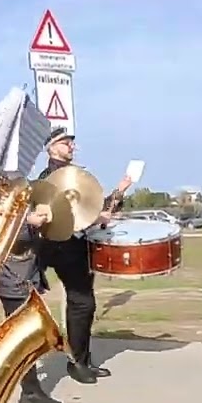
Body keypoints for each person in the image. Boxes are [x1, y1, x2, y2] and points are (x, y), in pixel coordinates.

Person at [34, 128, 130, 384]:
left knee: (84, 304)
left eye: (71, 144)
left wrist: (120, 190)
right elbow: (64, 214)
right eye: (65, 143)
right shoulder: (50, 178)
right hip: (53, 245)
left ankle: (81, 362)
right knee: (55, 304)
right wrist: (96, 217)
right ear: (51, 148)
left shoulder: (76, 178)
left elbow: (92, 208)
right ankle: (58, 365)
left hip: (74, 245)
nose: (71, 148)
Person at [0, 194, 63, 403]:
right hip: (12, 280)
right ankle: (30, 391)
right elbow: (8, 235)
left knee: (29, 338)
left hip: (26, 278)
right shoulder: (1, 203)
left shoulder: (26, 204)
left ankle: (28, 387)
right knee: (22, 339)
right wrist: (28, 223)